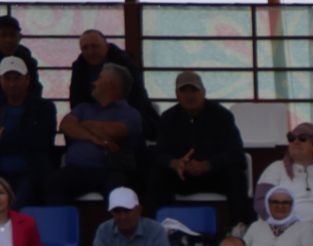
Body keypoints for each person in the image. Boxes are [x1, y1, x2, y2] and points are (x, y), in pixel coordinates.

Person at [152, 71, 250, 222]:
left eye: (194, 90)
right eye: (183, 91)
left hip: (214, 176)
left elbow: (236, 153)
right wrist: (175, 163)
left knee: (235, 174)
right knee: (156, 174)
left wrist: (207, 165)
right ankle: (161, 227)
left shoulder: (221, 115)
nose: (189, 95)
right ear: (176, 94)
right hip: (182, 176)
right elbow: (158, 153)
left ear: (203, 92)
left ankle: (238, 228)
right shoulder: (168, 118)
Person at [50, 62, 143, 203]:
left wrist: (83, 124)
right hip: (76, 169)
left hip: (110, 171)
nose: (94, 82)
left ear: (110, 84)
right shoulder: (84, 108)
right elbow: (66, 125)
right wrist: (95, 139)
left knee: (118, 191)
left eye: (99, 78)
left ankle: (114, 225)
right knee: (54, 182)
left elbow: (115, 130)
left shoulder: (129, 113)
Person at [68, 29, 159, 139]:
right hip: (93, 114)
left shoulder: (124, 63)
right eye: (85, 48)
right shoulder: (79, 66)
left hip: (124, 111)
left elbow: (137, 96)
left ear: (106, 46)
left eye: (95, 46)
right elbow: (76, 99)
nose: (90, 52)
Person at [0, 56, 55, 206]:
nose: (12, 84)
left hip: (31, 171)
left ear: (27, 79)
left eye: (17, 78)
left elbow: (42, 141)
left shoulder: (44, 108)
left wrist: (5, 136)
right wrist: (23, 136)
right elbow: (30, 137)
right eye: (7, 78)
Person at [0, 16, 40, 99]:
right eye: (3, 35)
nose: (8, 40)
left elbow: (35, 89)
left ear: (20, 37)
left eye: (12, 35)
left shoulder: (27, 60)